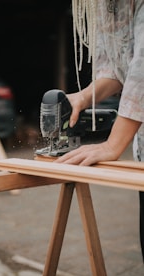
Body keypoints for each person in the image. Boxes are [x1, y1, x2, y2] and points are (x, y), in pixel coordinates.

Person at [55, 0, 144, 259]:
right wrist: (82, 98)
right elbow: (116, 71)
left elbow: (141, 73)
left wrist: (112, 144)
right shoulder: (103, 5)